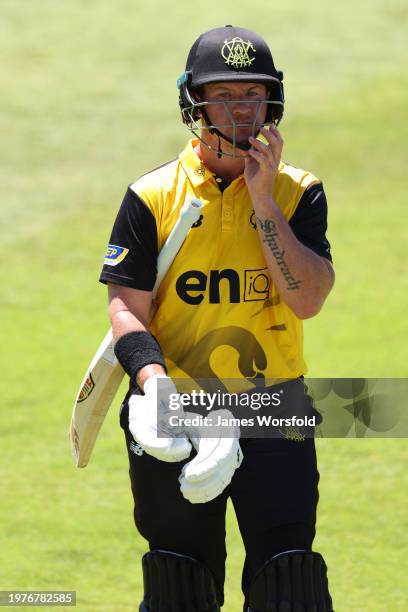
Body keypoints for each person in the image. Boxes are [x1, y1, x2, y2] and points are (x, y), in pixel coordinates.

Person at [100, 25, 335, 612]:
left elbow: (306, 299)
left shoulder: (298, 192)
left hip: (273, 406)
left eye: (252, 94)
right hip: (178, 406)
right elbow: (127, 309)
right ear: (194, 104)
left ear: (272, 101)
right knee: (181, 584)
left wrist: (262, 201)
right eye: (224, 95)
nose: (241, 110)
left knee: (291, 585)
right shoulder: (150, 196)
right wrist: (154, 392)